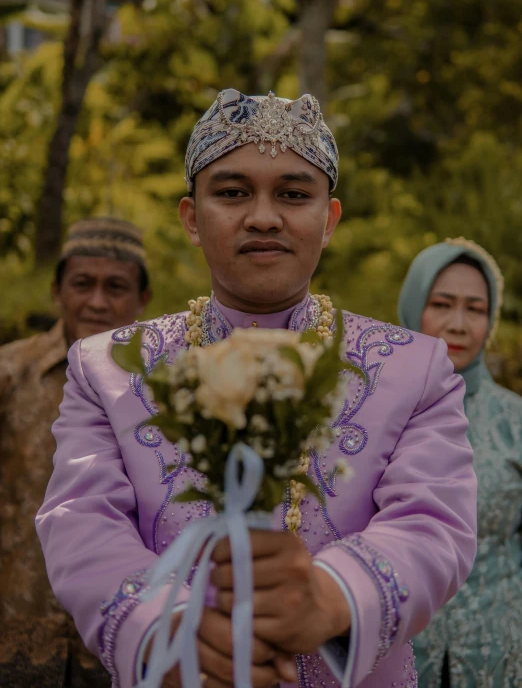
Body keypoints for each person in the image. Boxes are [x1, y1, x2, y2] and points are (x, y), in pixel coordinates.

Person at [37, 90, 477, 688]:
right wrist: (162, 628)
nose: (264, 216)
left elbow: (434, 522)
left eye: (294, 195)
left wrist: (332, 597)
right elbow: (81, 522)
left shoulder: (413, 368)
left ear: (330, 219)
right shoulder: (110, 367)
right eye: (232, 192)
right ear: (192, 218)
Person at [0, 217, 152, 688]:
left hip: (123, 634)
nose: (97, 302)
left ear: (143, 298)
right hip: (15, 627)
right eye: (82, 284)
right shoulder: (8, 373)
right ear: (57, 290)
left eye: (116, 287)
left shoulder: (167, 385)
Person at [398, 238, 522, 687]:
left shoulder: (515, 419)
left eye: (475, 308)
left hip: (501, 654)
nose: (459, 324)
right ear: (414, 306)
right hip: (402, 650)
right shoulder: (376, 414)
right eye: (443, 304)